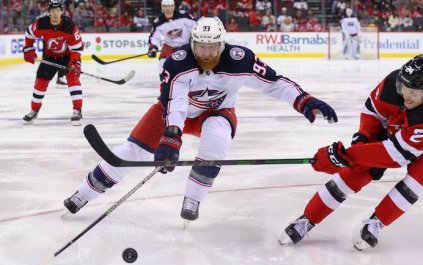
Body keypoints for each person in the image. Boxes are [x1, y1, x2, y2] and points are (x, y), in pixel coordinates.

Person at [63, 17, 338, 228]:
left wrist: (304, 100)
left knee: (216, 143)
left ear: (223, 44)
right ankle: (84, 193)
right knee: (131, 152)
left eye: (212, 47)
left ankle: (192, 198)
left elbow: (275, 83)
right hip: (173, 112)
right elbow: (175, 104)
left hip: (217, 112)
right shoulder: (178, 63)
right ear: (192, 43)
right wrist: (171, 137)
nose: (206, 53)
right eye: (200, 47)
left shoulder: (241, 60)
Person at [279, 54, 423, 251]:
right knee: (355, 172)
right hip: (395, 130)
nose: (405, 95)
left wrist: (347, 155)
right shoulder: (394, 83)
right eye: (403, 88)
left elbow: (396, 155)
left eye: (413, 93)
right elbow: (372, 112)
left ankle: (377, 222)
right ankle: (307, 219)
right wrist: (361, 140)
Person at [22, 0, 84, 126]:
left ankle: (77, 110)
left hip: (68, 56)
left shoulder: (69, 25)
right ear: (48, 12)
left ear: (62, 11)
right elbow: (29, 35)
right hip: (49, 56)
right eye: (52, 10)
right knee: (40, 82)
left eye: (58, 10)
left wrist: (75, 63)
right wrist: (28, 50)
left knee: (73, 79)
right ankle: (34, 110)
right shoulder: (41, 23)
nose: (55, 13)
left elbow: (76, 48)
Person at [148, 0, 196, 81]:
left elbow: (196, 25)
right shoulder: (158, 22)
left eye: (170, 6)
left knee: (191, 67)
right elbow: (154, 37)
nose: (168, 8)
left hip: (186, 45)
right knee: (162, 64)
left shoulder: (184, 15)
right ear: (162, 8)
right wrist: (153, 47)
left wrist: (194, 38)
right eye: (165, 6)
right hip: (169, 46)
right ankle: (164, 87)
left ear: (173, 6)